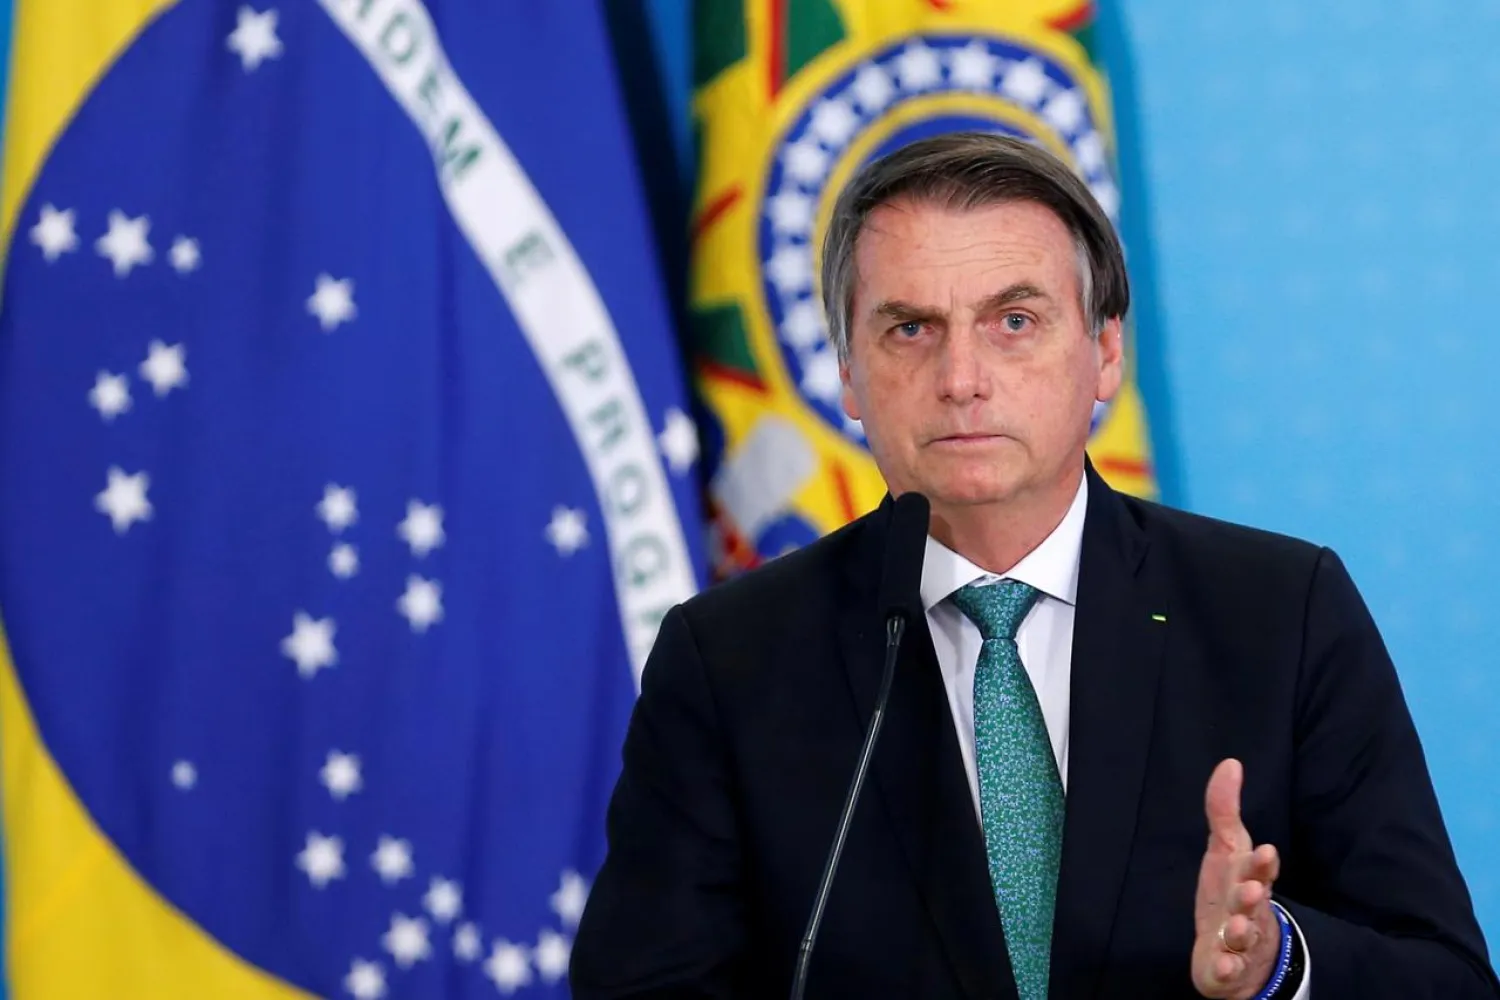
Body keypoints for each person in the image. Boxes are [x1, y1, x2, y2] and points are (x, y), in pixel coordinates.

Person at [569, 132, 1498, 999]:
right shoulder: (731, 660)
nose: (962, 376)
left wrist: (1274, 963)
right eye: (910, 329)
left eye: (1013, 320)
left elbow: (1445, 978)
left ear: (1103, 351)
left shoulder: (1279, 613)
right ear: (848, 374)